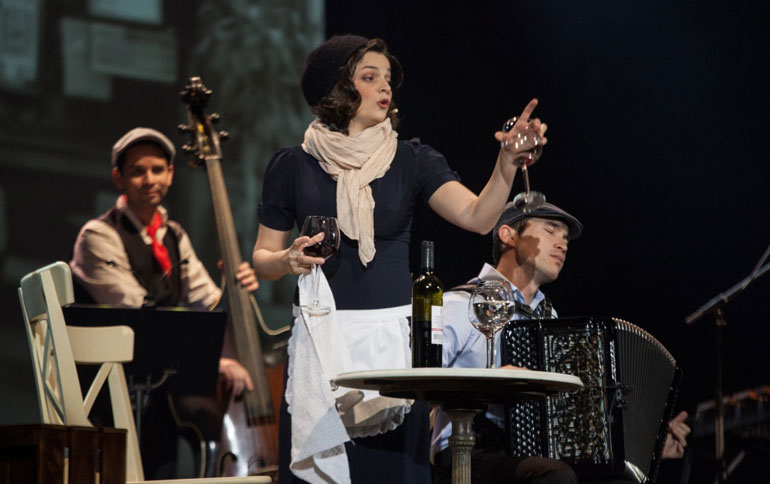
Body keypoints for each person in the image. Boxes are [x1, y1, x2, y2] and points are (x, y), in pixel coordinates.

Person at [252, 34, 547, 484]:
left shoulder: (411, 159)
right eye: (369, 77)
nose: (384, 87)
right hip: (320, 338)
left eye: (387, 78)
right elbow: (261, 258)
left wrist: (506, 161)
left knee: (391, 471)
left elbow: (478, 217)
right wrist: (286, 259)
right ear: (336, 90)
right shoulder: (293, 165)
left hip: (391, 344)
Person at [432, 200, 692, 484]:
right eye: (550, 230)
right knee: (555, 476)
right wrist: (493, 383)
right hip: (468, 452)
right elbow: (421, 378)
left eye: (565, 238)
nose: (563, 244)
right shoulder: (461, 304)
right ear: (508, 235)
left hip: (539, 458)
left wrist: (647, 442)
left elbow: (569, 413)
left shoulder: (550, 319)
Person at [70, 127, 258, 477]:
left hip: (159, 389)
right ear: (119, 178)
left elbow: (206, 301)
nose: (149, 179)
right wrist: (209, 362)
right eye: (137, 171)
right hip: (108, 392)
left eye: (157, 169)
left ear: (170, 174)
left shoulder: (174, 235)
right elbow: (138, 315)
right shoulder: (98, 235)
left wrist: (236, 286)